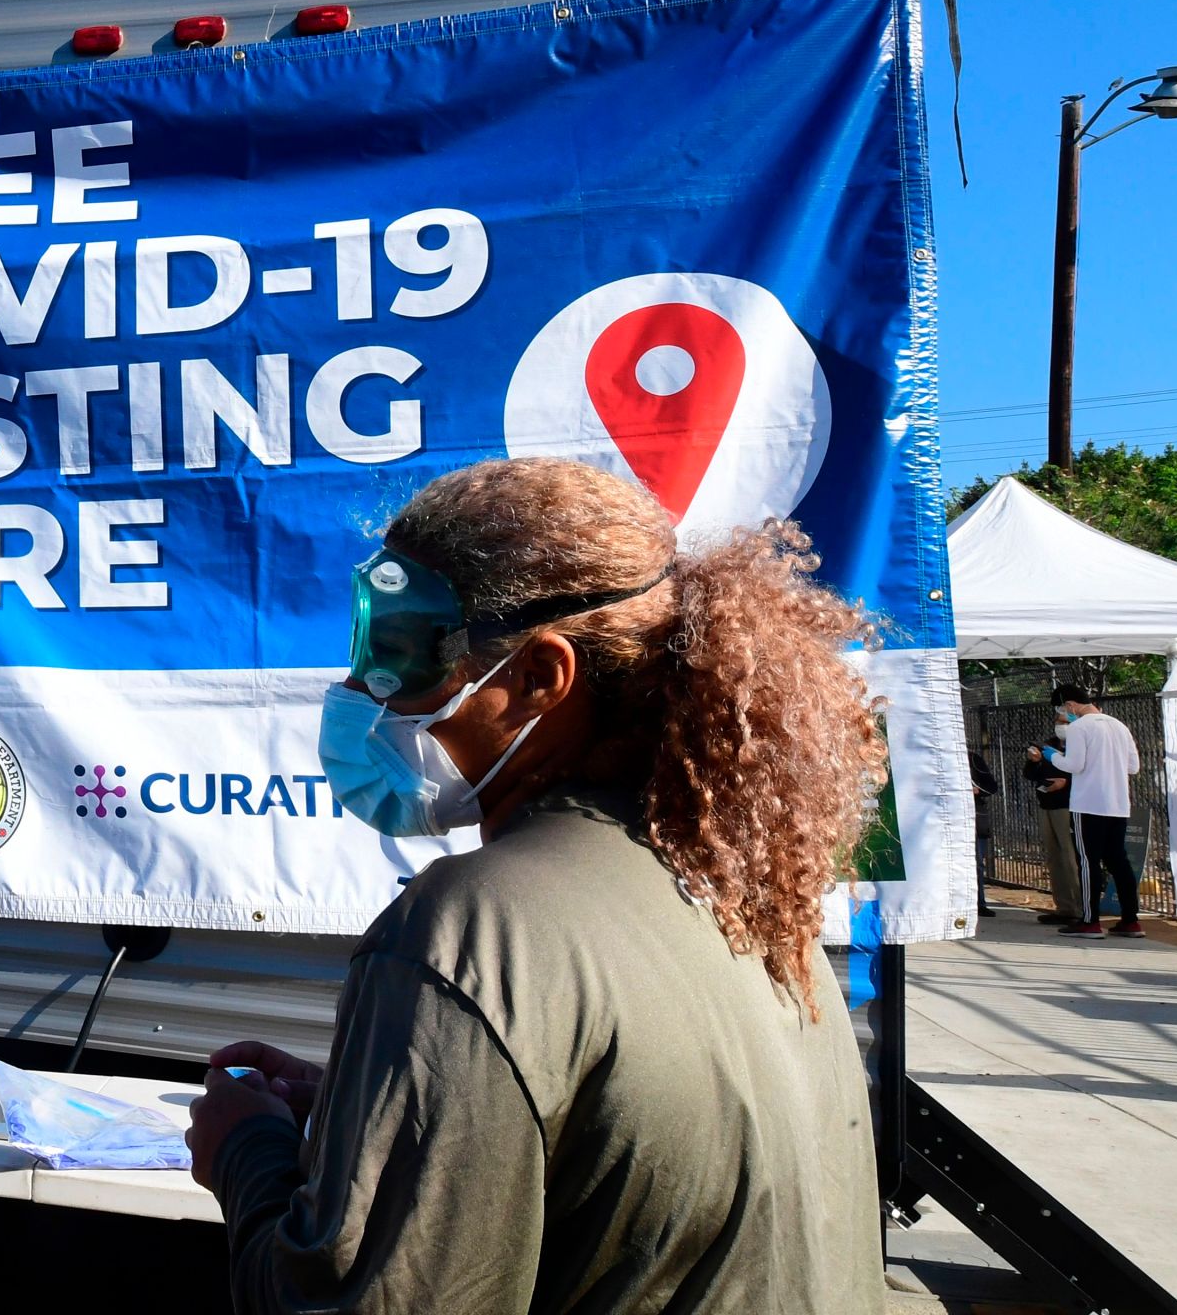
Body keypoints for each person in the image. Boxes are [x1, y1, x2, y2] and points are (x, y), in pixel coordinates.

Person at [190, 458, 884, 1314]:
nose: (364, 688)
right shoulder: (740, 893)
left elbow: (354, 1301)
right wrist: (362, 1116)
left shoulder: (469, 930)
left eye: (405, 653)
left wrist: (246, 1154)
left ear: (539, 678)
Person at [1046, 684, 1144, 938]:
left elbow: (1074, 764)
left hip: (1088, 804)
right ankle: (1131, 920)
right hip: (1118, 804)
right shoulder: (1119, 725)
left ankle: (1090, 921)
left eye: (1062, 709)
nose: (1063, 715)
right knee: (1118, 861)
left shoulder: (1079, 727)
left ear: (1070, 705)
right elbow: (1133, 767)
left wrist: (1053, 757)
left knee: (1088, 861)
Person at [1022, 738, 1078, 924]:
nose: (1061, 724)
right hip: (1046, 805)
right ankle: (1064, 907)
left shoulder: (1080, 743)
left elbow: (1089, 772)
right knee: (1054, 857)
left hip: (1069, 806)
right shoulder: (1047, 745)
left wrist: (1067, 782)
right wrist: (1034, 761)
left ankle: (1081, 908)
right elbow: (1030, 774)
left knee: (1071, 856)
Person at [968, 733, 1001, 918]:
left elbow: (991, 786)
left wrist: (976, 790)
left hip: (975, 816)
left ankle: (979, 902)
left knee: (976, 862)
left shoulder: (973, 759)